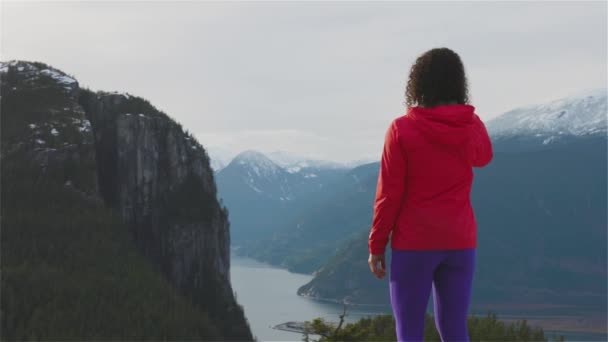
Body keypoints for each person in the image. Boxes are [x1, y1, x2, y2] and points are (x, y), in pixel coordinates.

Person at [367, 47, 493, 342]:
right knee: (453, 329)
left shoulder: (401, 130)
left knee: (409, 331)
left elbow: (389, 195)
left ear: (418, 83)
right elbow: (484, 156)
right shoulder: (469, 125)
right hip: (460, 242)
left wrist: (377, 245)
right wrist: (470, 118)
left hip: (414, 244)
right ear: (458, 83)